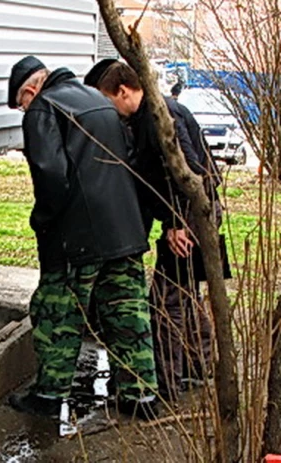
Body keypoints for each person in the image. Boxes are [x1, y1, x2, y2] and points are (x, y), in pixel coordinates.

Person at [6, 56, 159, 422]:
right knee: (128, 313)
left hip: (78, 237)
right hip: (125, 231)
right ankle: (141, 396)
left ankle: (48, 397)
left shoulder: (44, 108)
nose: (24, 111)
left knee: (57, 312)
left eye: (20, 104)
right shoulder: (98, 101)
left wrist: (43, 220)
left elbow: (51, 175)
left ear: (29, 90)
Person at [84, 59, 223, 401]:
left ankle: (166, 388)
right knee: (186, 294)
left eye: (108, 101)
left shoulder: (161, 116)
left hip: (191, 214)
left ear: (124, 91)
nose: (109, 110)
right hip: (191, 213)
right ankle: (200, 366)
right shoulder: (147, 115)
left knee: (164, 303)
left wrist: (177, 223)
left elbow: (190, 171)